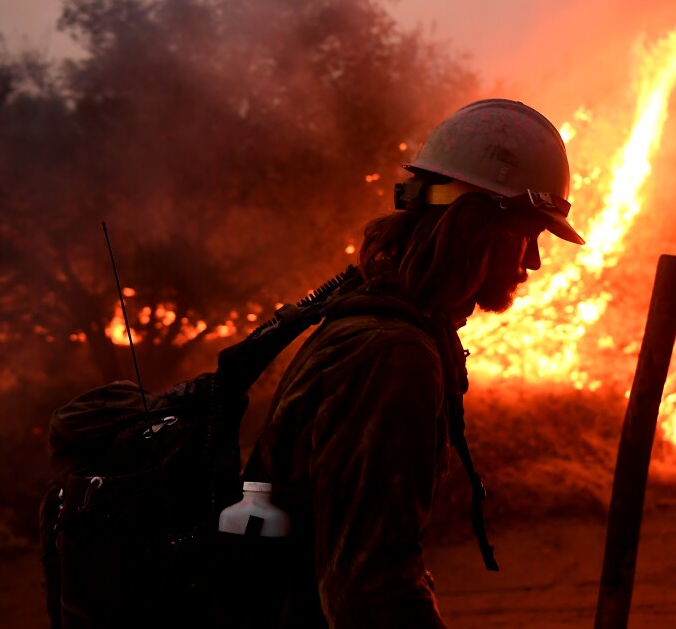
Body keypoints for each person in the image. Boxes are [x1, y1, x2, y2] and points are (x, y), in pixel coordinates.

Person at [246, 99, 584, 628]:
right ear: (475, 227)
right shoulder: (392, 358)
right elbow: (371, 594)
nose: (535, 262)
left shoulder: (376, 327)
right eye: (529, 233)